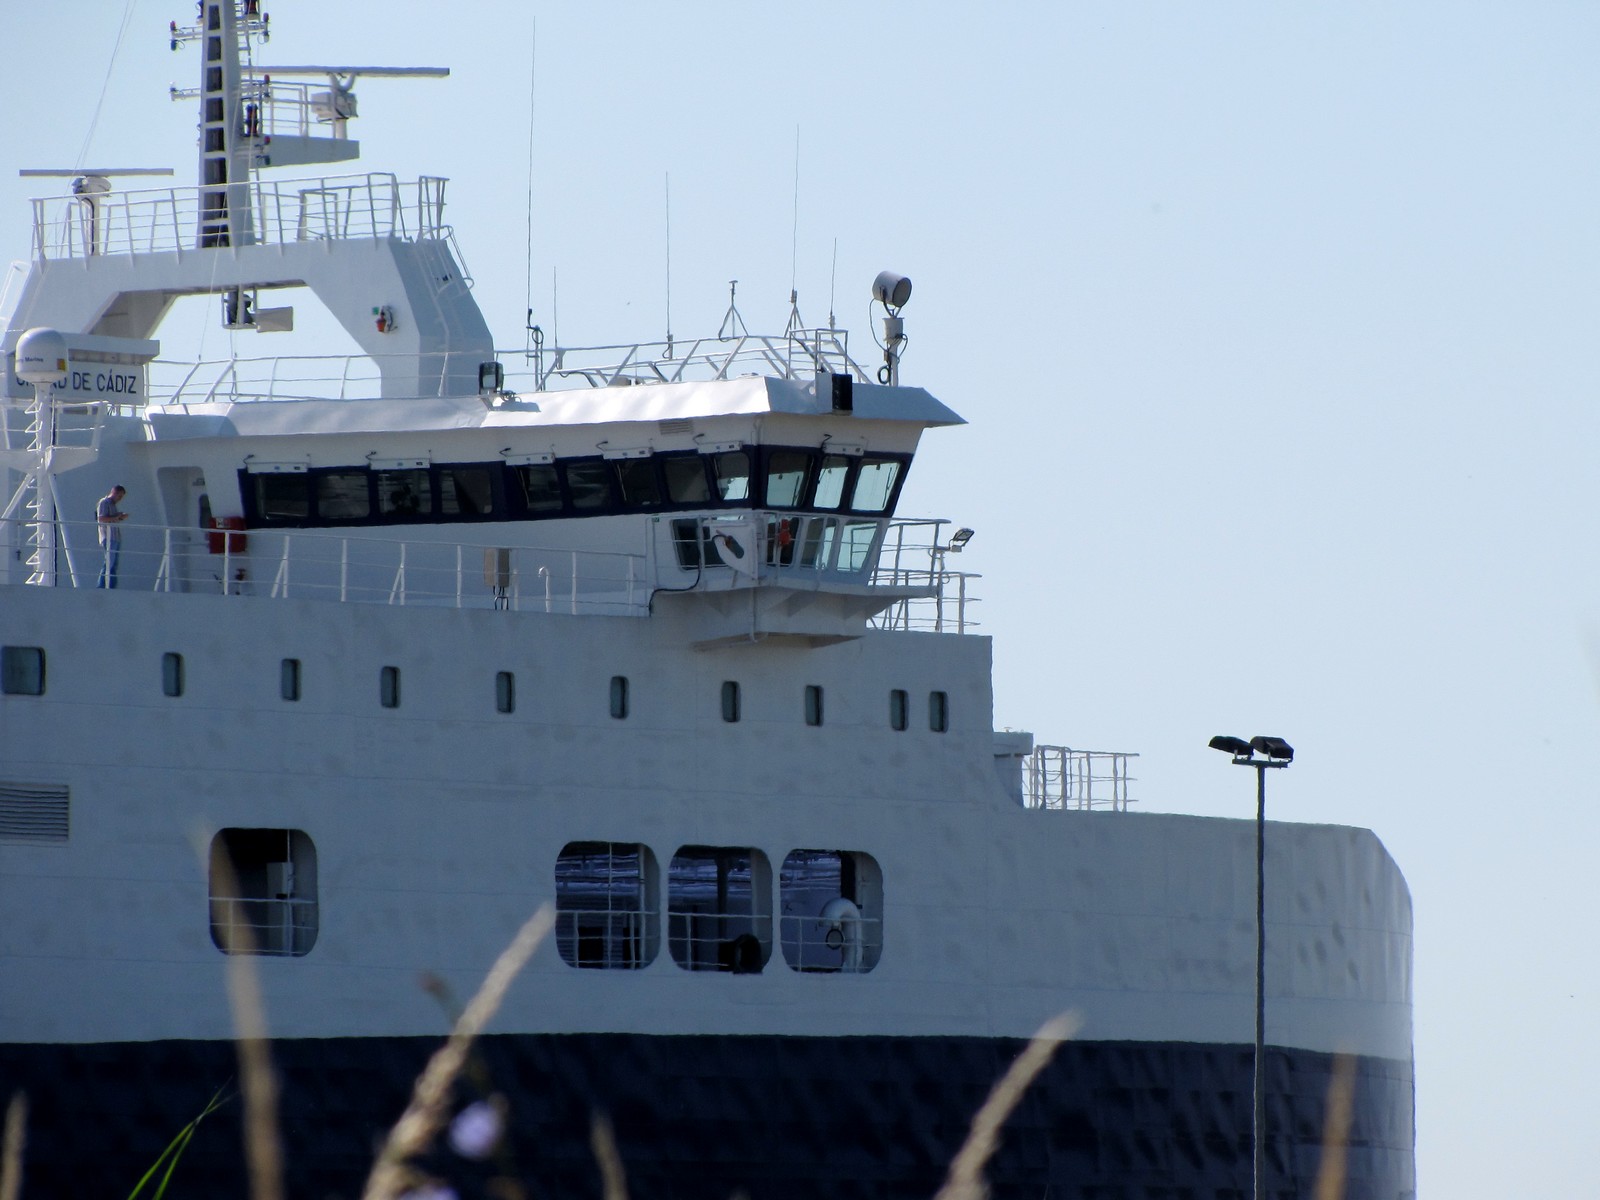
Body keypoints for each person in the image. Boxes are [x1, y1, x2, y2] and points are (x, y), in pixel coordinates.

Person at [96, 485, 128, 588]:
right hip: (109, 537)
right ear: (114, 492)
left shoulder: (112, 505)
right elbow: (101, 518)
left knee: (113, 563)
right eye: (119, 496)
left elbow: (111, 518)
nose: (120, 499)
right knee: (109, 563)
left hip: (115, 537)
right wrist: (116, 516)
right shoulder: (104, 502)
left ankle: (111, 585)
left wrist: (120, 517)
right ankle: (103, 586)